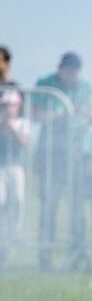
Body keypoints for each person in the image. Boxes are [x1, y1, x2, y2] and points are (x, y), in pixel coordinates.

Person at [33, 52, 92, 271]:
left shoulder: (86, 87)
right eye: (68, 70)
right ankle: (45, 255)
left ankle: (77, 253)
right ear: (60, 68)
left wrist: (84, 112)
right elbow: (36, 113)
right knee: (49, 206)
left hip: (79, 155)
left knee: (77, 208)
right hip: (51, 155)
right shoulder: (46, 84)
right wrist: (64, 115)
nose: (72, 75)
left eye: (75, 71)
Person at [0, 85, 29, 268]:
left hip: (16, 166)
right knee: (1, 201)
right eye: (4, 106)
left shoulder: (23, 123)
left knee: (17, 199)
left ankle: (15, 233)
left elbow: (24, 142)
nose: (6, 109)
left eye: (10, 105)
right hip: (0, 167)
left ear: (17, 106)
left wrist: (11, 127)